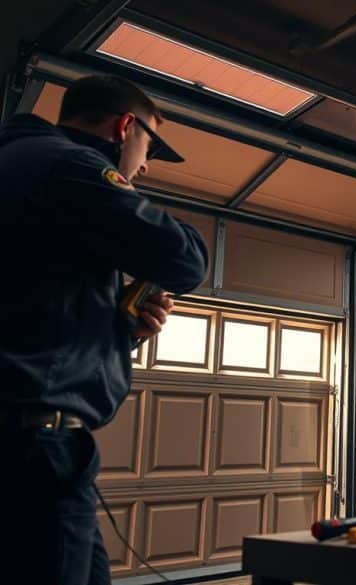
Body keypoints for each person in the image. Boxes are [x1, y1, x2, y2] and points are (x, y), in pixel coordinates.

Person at [0, 75, 209, 585]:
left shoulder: (20, 164)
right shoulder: (72, 167)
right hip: (32, 450)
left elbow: (34, 303)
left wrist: (123, 328)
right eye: (150, 146)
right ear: (124, 127)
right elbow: (185, 260)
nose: (145, 165)